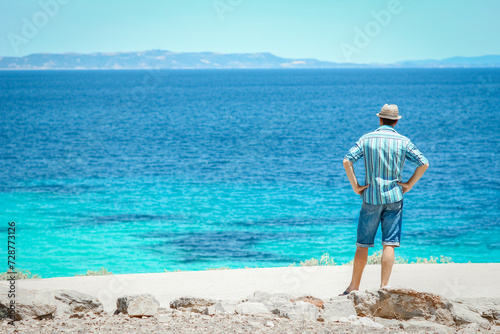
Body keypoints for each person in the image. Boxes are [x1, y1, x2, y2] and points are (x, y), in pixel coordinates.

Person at [340, 104, 429, 296]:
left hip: (371, 197)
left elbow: (347, 160)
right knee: (389, 244)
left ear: (379, 119)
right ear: (396, 121)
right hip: (395, 197)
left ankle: (354, 287)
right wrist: (409, 184)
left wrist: (356, 186)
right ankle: (384, 288)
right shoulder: (403, 141)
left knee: (363, 244)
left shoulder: (367, 139)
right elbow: (424, 163)